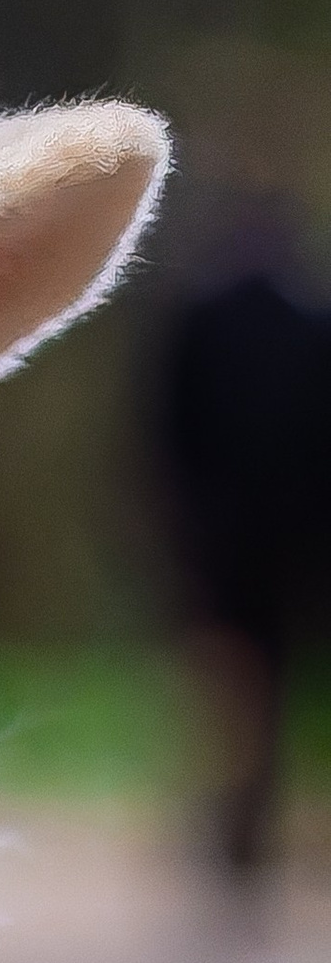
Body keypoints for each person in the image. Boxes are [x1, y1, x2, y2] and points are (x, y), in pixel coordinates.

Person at [149, 185, 331, 894]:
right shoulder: (308, 323)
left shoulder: (202, 318)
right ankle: (245, 818)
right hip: (279, 542)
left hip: (223, 538)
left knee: (227, 679)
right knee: (261, 680)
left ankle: (232, 816)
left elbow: (168, 433)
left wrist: (177, 521)